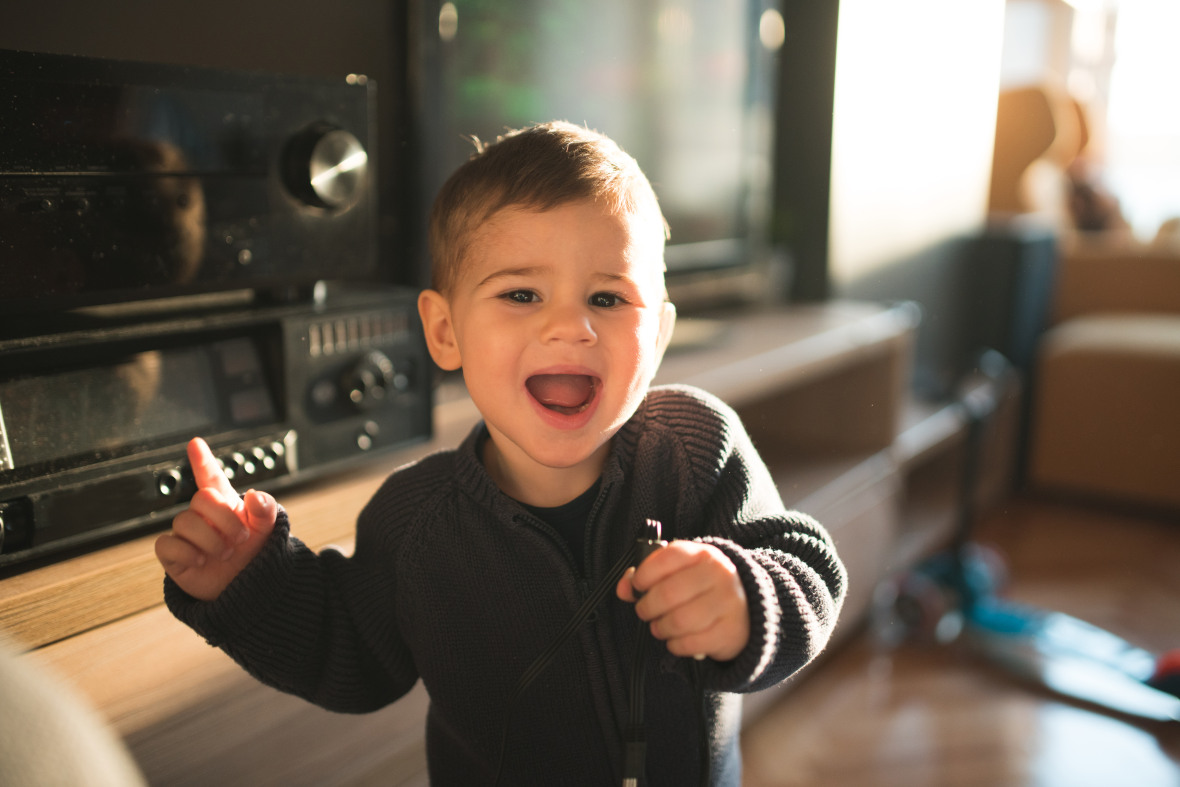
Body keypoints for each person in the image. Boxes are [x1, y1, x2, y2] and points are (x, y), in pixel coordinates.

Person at [155, 121, 847, 786]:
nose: (570, 326)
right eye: (521, 294)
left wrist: (748, 597)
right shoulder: (415, 522)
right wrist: (249, 584)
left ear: (660, 336)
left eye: (608, 297)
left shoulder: (696, 449)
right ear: (444, 331)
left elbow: (807, 567)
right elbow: (352, 654)